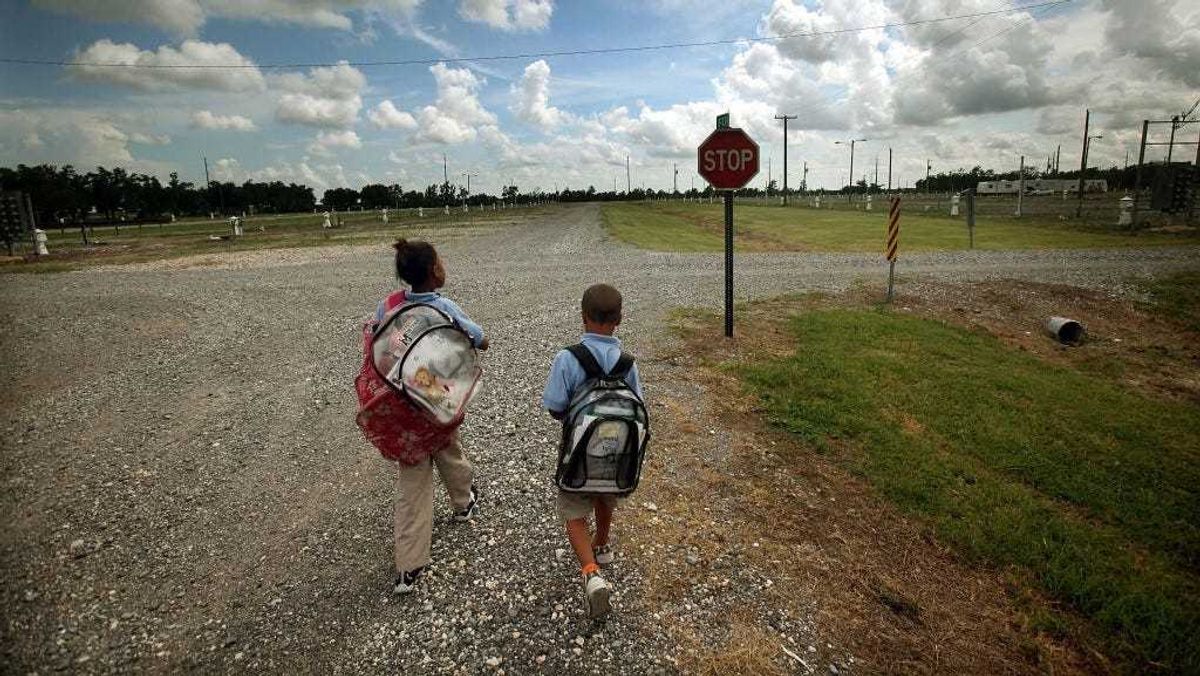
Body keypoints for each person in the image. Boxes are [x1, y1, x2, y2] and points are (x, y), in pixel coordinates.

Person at [382, 238, 490, 594]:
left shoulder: (390, 307)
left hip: (402, 403)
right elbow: (479, 338)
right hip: (437, 401)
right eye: (440, 262)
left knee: (415, 474)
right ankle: (462, 504)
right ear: (433, 272)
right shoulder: (443, 307)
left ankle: (408, 568)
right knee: (446, 446)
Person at [542, 283, 644, 619]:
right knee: (605, 498)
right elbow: (638, 406)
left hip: (577, 456)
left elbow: (555, 407)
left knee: (574, 511)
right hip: (615, 456)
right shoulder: (628, 363)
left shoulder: (567, 358)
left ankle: (590, 572)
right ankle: (602, 546)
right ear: (619, 319)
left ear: (583, 317)